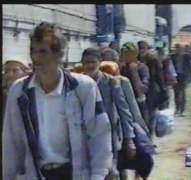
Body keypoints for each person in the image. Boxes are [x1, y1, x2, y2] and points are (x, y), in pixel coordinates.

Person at [2, 22, 113, 180]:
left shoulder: (83, 88)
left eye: (43, 52)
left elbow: (99, 135)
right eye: (33, 51)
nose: (36, 58)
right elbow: (11, 143)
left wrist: (98, 175)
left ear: (59, 55)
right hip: (36, 174)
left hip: (73, 173)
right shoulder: (19, 92)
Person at [81, 48, 136, 180]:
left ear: (100, 62)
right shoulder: (76, 83)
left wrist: (129, 139)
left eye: (93, 62)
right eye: (86, 62)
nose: (89, 65)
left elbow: (124, 111)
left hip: (108, 136)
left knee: (109, 172)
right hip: (83, 136)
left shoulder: (111, 82)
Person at [99, 61, 154, 180]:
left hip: (120, 131)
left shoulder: (122, 82)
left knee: (119, 164)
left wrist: (138, 131)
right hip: (102, 133)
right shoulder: (92, 83)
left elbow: (131, 110)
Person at [120, 42, 150, 128]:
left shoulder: (142, 68)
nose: (125, 56)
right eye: (123, 54)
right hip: (123, 103)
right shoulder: (120, 67)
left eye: (128, 54)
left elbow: (142, 90)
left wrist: (134, 73)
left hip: (138, 103)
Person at [171, 44, 191, 116]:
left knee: (182, 93)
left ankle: (182, 110)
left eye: (180, 49)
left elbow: (190, 67)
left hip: (183, 77)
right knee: (176, 93)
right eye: (177, 49)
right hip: (175, 77)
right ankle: (177, 108)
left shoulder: (186, 57)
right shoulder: (172, 57)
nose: (178, 50)